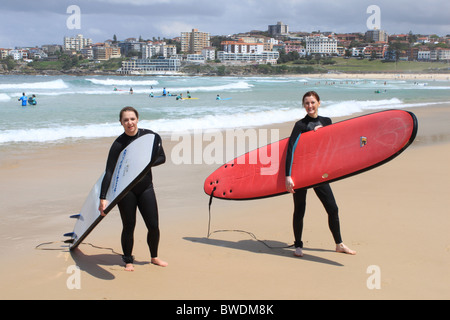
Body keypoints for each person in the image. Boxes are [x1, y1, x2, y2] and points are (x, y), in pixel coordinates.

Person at [285, 91, 356, 258]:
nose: (309, 106)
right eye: (306, 103)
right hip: (301, 173)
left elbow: (331, 145)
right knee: (300, 209)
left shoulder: (326, 122)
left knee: (332, 208)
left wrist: (322, 133)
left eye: (312, 102)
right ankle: (298, 245)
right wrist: (288, 176)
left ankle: (339, 244)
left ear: (319, 103)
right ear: (304, 105)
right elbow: (290, 150)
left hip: (318, 173)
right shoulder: (300, 125)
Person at [98, 106, 168, 271]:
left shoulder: (148, 137)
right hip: (126, 191)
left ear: (137, 119)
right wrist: (103, 197)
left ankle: (154, 257)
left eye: (132, 119)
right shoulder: (118, 144)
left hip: (146, 188)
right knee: (129, 226)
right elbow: (109, 171)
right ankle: (128, 260)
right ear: (121, 123)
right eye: (126, 120)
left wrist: (144, 165)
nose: (129, 122)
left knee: (153, 225)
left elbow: (162, 157)